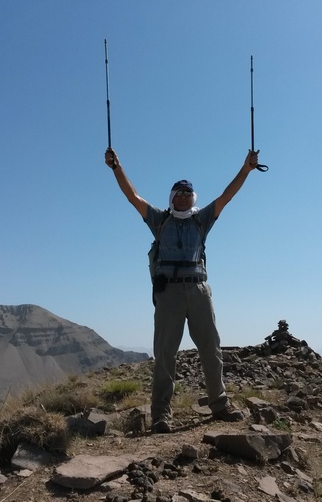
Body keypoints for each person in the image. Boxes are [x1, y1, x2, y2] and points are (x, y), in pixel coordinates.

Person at [105, 147, 259, 433]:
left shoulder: (202, 221)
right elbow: (132, 197)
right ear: (172, 198)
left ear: (193, 198)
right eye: (180, 194)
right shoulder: (159, 221)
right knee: (165, 354)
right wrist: (117, 167)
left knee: (211, 350)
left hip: (199, 291)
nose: (185, 197)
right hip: (169, 295)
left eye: (189, 194)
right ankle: (161, 416)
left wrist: (246, 169)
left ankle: (220, 404)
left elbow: (227, 195)